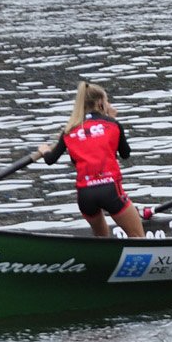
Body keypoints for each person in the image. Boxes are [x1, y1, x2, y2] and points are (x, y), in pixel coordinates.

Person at [40, 81, 145, 238]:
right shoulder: (112, 124)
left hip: (85, 195)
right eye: (107, 101)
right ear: (100, 102)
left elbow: (50, 159)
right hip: (110, 189)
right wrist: (112, 119)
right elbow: (125, 154)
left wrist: (45, 151)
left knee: (101, 240)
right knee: (138, 237)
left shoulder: (69, 130)